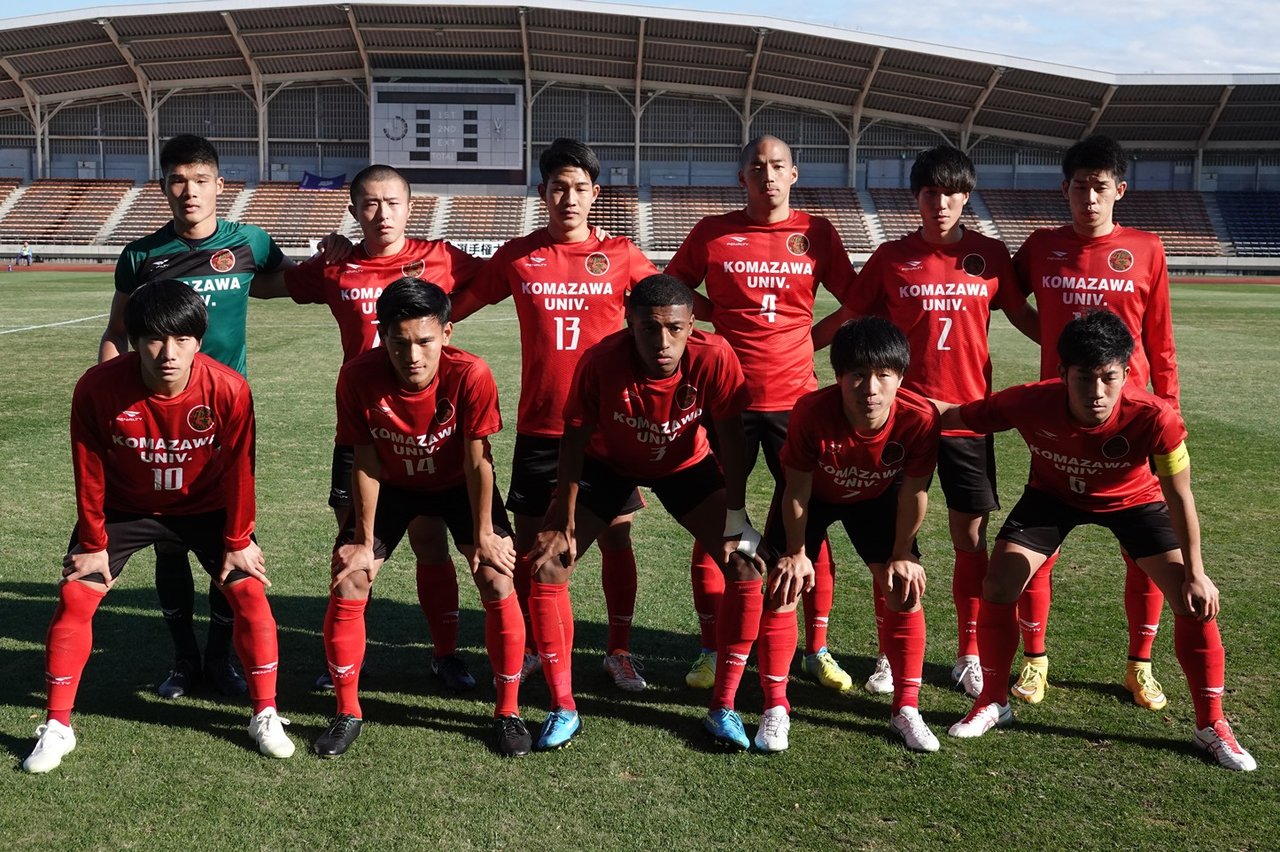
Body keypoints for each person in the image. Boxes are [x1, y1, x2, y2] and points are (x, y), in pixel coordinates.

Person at [943, 310, 1257, 772]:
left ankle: (1212, 723)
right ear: (1061, 373)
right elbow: (954, 415)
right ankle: (992, 701)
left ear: (1126, 373)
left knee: (1193, 601)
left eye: (1108, 378)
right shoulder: (1029, 401)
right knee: (998, 583)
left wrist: (1197, 573)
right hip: (1051, 498)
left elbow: (1180, 495)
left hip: (1134, 502)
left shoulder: (1155, 416)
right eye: (1083, 378)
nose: (1096, 392)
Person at [22, 280, 294, 773]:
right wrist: (93, 542)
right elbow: (88, 469)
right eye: (154, 338)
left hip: (205, 507)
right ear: (134, 335)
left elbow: (240, 469)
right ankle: (58, 726)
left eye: (183, 339)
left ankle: (265, 713)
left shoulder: (228, 388)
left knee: (250, 590)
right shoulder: (98, 387)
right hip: (128, 507)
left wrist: (237, 541)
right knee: (76, 594)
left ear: (199, 339)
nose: (169, 353)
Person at [827, 146, 1038, 699]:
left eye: (950, 193)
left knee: (970, 538)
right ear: (915, 197)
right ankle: (890, 655)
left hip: (969, 419)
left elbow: (1023, 317)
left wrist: (1085, 356)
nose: (939, 203)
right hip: (902, 423)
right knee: (898, 540)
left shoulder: (990, 256)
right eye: (929, 193)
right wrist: (790, 348)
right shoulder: (892, 257)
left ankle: (967, 652)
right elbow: (850, 319)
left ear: (965, 196)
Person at [451, 138, 657, 692]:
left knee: (617, 537)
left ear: (596, 193)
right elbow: (459, 306)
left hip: (609, 430)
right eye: (558, 187)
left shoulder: (622, 254)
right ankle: (538, 650)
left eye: (579, 188)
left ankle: (618, 651)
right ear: (542, 192)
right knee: (530, 545)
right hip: (542, 426)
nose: (569, 197)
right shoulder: (518, 256)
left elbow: (670, 307)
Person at [528, 275, 767, 752]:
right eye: (649, 328)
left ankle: (723, 708)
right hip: (608, 464)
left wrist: (737, 515)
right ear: (629, 323)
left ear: (691, 324)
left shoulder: (714, 356)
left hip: (686, 466)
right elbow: (573, 439)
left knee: (747, 562)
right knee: (547, 564)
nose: (662, 341)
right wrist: (562, 520)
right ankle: (563, 707)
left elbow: (734, 441)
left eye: (674, 329)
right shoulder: (599, 361)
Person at [276, 164, 485, 692]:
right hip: (363, 429)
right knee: (354, 549)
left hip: (426, 425)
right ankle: (349, 662)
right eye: (369, 203)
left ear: (410, 207)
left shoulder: (441, 257)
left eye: (392, 202)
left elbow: (499, 278)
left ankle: (445, 654)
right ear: (353, 211)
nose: (381, 213)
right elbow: (269, 281)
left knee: (431, 543)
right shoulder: (336, 268)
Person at [99, 134, 291, 700]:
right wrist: (110, 399)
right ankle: (184, 660)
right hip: (161, 420)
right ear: (163, 187)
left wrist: (333, 261)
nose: (190, 191)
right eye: (178, 181)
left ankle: (220, 660)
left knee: (230, 538)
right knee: (168, 541)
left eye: (200, 180)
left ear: (218, 186)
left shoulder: (249, 242)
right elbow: (117, 332)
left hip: (227, 419)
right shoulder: (141, 255)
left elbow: (288, 283)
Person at [665, 135, 857, 693]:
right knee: (716, 525)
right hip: (725, 401)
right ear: (741, 176)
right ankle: (711, 648)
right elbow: (675, 289)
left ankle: (815, 649)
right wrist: (717, 316)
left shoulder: (817, 233)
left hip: (797, 404)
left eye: (777, 166)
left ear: (794, 174)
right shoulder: (712, 231)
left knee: (810, 530)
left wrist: (811, 340)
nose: (767, 175)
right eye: (757, 166)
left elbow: (856, 298)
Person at [317, 278, 530, 758]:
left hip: (458, 483)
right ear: (382, 335)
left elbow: (479, 462)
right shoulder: (357, 376)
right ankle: (347, 710)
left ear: (447, 334)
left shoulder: (471, 374)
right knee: (351, 578)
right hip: (393, 484)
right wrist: (364, 542)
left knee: (497, 575)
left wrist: (482, 537)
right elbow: (365, 460)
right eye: (399, 342)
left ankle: (508, 711)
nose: (412, 355)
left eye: (424, 341)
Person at [1008, 135, 1178, 711]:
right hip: (1059, 415)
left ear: (1119, 191)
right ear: (1065, 189)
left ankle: (1140, 665)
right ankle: (1034, 662)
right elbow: (1005, 298)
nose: (1089, 197)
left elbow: (1160, 339)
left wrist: (1169, 405)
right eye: (1079, 186)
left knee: (1145, 550)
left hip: (1130, 422)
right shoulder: (1041, 246)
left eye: (1100, 187)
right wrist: (1056, 351)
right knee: (1041, 543)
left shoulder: (1146, 248)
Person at [760, 317, 941, 753]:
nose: (870, 388)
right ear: (839, 376)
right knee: (783, 586)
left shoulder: (919, 417)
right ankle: (775, 708)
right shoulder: (810, 411)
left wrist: (902, 552)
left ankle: (906, 709)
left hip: (877, 498)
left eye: (883, 375)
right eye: (857, 375)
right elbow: (796, 489)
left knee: (904, 590)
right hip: (814, 496)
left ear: (901, 376)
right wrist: (797, 551)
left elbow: (915, 491)